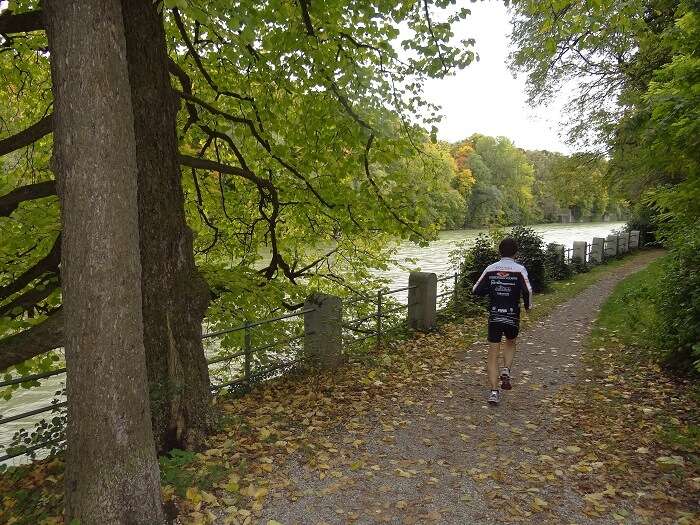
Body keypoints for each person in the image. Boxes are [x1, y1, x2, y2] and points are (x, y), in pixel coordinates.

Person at [472, 237, 532, 405]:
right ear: (516, 253)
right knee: (511, 343)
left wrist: (492, 288)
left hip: (495, 315)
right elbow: (528, 290)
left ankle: (493, 392)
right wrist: (528, 307)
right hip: (512, 315)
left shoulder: (491, 269)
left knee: (492, 353)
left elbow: (476, 290)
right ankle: (506, 369)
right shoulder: (520, 269)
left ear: (499, 252)